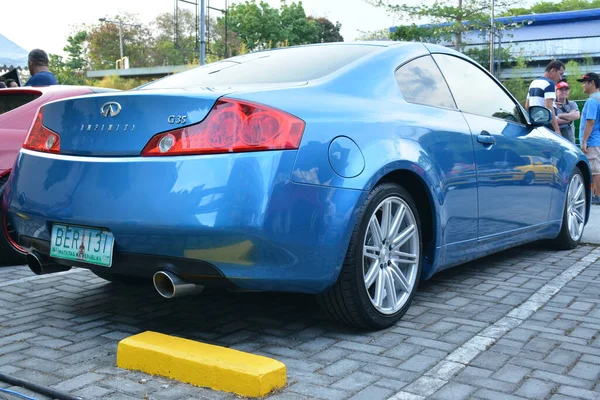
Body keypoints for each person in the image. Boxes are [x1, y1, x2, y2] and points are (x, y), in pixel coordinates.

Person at [525, 60, 565, 136]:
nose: (560, 78)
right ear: (553, 71)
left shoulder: (534, 82)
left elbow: (527, 105)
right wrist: (556, 129)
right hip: (548, 126)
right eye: (560, 74)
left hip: (536, 125)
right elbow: (548, 107)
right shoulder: (550, 84)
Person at [577, 72, 600, 205]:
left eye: (585, 82)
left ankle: (598, 195)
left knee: (595, 170)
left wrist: (585, 140)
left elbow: (590, 121)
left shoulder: (592, 100)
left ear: (592, 83)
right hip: (598, 140)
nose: (583, 86)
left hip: (592, 141)